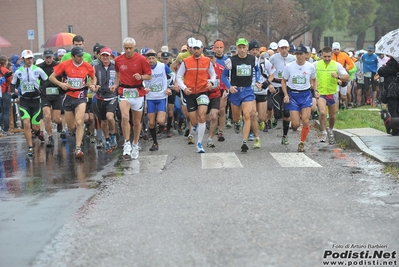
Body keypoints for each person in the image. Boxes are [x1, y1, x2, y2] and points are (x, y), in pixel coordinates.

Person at [49, 46, 97, 158]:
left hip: (81, 95)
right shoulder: (65, 64)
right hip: (68, 96)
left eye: (82, 56)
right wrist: (61, 84)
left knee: (80, 121)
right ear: (73, 56)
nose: (81, 58)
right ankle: (77, 134)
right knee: (71, 127)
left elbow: (93, 77)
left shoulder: (87, 65)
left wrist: (93, 84)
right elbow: (51, 77)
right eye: (78, 56)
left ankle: (78, 148)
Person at [110, 37, 152, 159]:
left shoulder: (142, 59)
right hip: (124, 91)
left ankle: (135, 143)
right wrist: (116, 84)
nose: (128, 50)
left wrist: (141, 77)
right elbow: (118, 73)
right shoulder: (118, 60)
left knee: (136, 121)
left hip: (137, 91)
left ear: (134, 47)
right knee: (124, 116)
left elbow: (149, 76)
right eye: (126, 48)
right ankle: (127, 142)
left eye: (130, 48)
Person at [221, 38, 262, 152]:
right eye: (240, 47)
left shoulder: (253, 59)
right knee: (235, 117)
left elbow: (258, 70)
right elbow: (223, 76)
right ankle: (237, 122)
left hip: (248, 91)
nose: (242, 50)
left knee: (247, 115)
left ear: (247, 48)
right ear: (237, 48)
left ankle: (244, 141)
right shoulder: (231, 60)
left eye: (244, 47)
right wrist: (229, 87)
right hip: (235, 91)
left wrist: (257, 81)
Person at [176, 39, 216, 153]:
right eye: (194, 48)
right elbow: (178, 76)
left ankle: (199, 144)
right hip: (190, 93)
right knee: (193, 121)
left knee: (202, 116)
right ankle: (194, 127)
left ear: (202, 48)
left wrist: (211, 83)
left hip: (203, 91)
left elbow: (213, 74)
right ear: (191, 49)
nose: (196, 51)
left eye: (198, 48)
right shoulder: (186, 61)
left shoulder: (207, 61)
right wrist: (184, 88)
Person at [11, 50, 49, 157]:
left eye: (31, 58)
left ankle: (38, 133)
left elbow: (47, 80)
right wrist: (13, 91)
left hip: (36, 100)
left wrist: (42, 88)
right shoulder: (18, 71)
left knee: (35, 127)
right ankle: (30, 147)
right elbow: (13, 84)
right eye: (27, 58)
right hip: (24, 100)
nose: (30, 60)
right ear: (23, 59)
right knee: (26, 124)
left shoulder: (38, 70)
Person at [281, 45, 316, 152]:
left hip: (305, 95)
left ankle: (302, 142)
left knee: (306, 121)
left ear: (306, 55)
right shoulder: (289, 66)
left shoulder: (310, 66)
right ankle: (297, 119)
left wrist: (315, 92)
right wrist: (286, 94)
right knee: (295, 125)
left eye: (301, 54)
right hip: (293, 95)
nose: (299, 56)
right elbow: (283, 81)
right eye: (297, 54)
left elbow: (314, 79)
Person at [315, 46, 350, 144]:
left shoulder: (336, 65)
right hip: (321, 93)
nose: (327, 59)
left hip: (332, 93)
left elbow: (347, 77)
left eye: (329, 57)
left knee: (332, 115)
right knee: (322, 112)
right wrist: (314, 88)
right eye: (325, 56)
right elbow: (310, 76)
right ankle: (323, 132)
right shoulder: (316, 65)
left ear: (331, 56)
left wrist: (338, 76)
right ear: (321, 55)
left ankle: (330, 130)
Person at [144, 49, 173, 151]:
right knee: (151, 123)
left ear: (156, 58)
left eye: (153, 58)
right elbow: (139, 80)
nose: (151, 60)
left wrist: (170, 87)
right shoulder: (143, 67)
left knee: (160, 121)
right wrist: (143, 89)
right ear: (146, 59)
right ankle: (155, 142)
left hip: (161, 97)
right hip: (150, 98)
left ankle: (162, 126)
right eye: (149, 59)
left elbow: (172, 75)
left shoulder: (162, 66)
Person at [268, 39, 296, 145]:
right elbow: (267, 70)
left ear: (288, 48)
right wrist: (269, 83)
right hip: (276, 86)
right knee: (278, 114)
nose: (284, 50)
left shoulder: (292, 58)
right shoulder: (273, 58)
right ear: (278, 49)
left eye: (285, 48)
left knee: (287, 113)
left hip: (288, 86)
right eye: (281, 48)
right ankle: (275, 118)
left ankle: (285, 136)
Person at [92, 47, 118, 152]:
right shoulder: (95, 67)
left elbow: (120, 79)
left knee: (110, 117)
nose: (105, 57)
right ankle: (106, 139)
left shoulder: (116, 67)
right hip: (100, 97)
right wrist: (93, 86)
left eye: (107, 55)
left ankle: (113, 135)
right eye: (103, 55)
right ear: (100, 56)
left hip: (112, 96)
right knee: (103, 121)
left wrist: (116, 86)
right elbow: (91, 80)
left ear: (111, 56)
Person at [36, 49, 63, 147]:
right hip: (45, 95)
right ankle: (50, 138)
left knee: (55, 119)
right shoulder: (39, 67)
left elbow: (64, 76)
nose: (48, 60)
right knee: (47, 116)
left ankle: (60, 123)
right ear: (43, 57)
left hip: (56, 95)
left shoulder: (58, 65)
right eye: (46, 58)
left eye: (50, 57)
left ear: (53, 57)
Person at [378, 57, 399, 136]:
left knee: (393, 111)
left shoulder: (393, 62)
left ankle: (396, 130)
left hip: (393, 91)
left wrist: (384, 66)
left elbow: (381, 71)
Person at [331, 42, 355, 109]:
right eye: (334, 49)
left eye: (337, 49)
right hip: (334, 77)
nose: (336, 51)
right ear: (332, 50)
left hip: (343, 76)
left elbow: (351, 64)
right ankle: (337, 107)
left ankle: (343, 102)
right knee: (336, 94)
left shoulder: (344, 55)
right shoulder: (331, 56)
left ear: (339, 49)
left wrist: (347, 68)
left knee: (343, 96)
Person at [0, 56, 14, 135]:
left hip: (0, 92)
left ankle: (1, 127)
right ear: (5, 62)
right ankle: (6, 129)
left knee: (1, 111)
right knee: (6, 112)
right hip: (5, 91)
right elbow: (10, 81)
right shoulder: (6, 71)